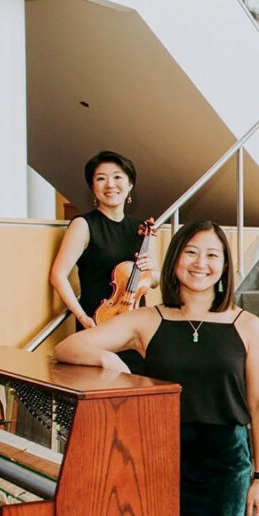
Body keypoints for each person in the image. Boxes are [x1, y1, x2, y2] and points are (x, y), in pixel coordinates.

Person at [54, 220, 259, 516]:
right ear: (174, 261)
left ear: (225, 266)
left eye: (212, 255)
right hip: (155, 463)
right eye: (191, 252)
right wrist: (109, 361)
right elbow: (67, 346)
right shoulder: (148, 320)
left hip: (223, 465)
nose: (201, 263)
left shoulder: (248, 326)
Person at [48, 150, 156, 372]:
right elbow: (58, 276)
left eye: (118, 177)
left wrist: (150, 270)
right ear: (93, 188)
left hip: (133, 327)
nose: (110, 184)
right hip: (97, 323)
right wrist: (82, 317)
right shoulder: (84, 225)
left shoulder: (142, 229)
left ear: (129, 185)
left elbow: (153, 281)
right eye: (101, 178)